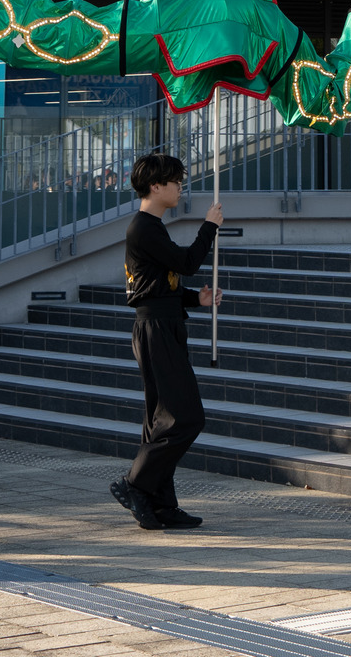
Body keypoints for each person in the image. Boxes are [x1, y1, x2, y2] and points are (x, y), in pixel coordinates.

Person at [107, 152, 220, 531]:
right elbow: (186, 263)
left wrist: (195, 299)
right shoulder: (144, 228)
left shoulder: (152, 227)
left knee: (161, 421)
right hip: (156, 328)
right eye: (175, 181)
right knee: (185, 416)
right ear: (156, 186)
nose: (179, 187)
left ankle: (161, 505)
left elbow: (159, 283)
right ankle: (135, 484)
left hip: (162, 322)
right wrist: (209, 227)